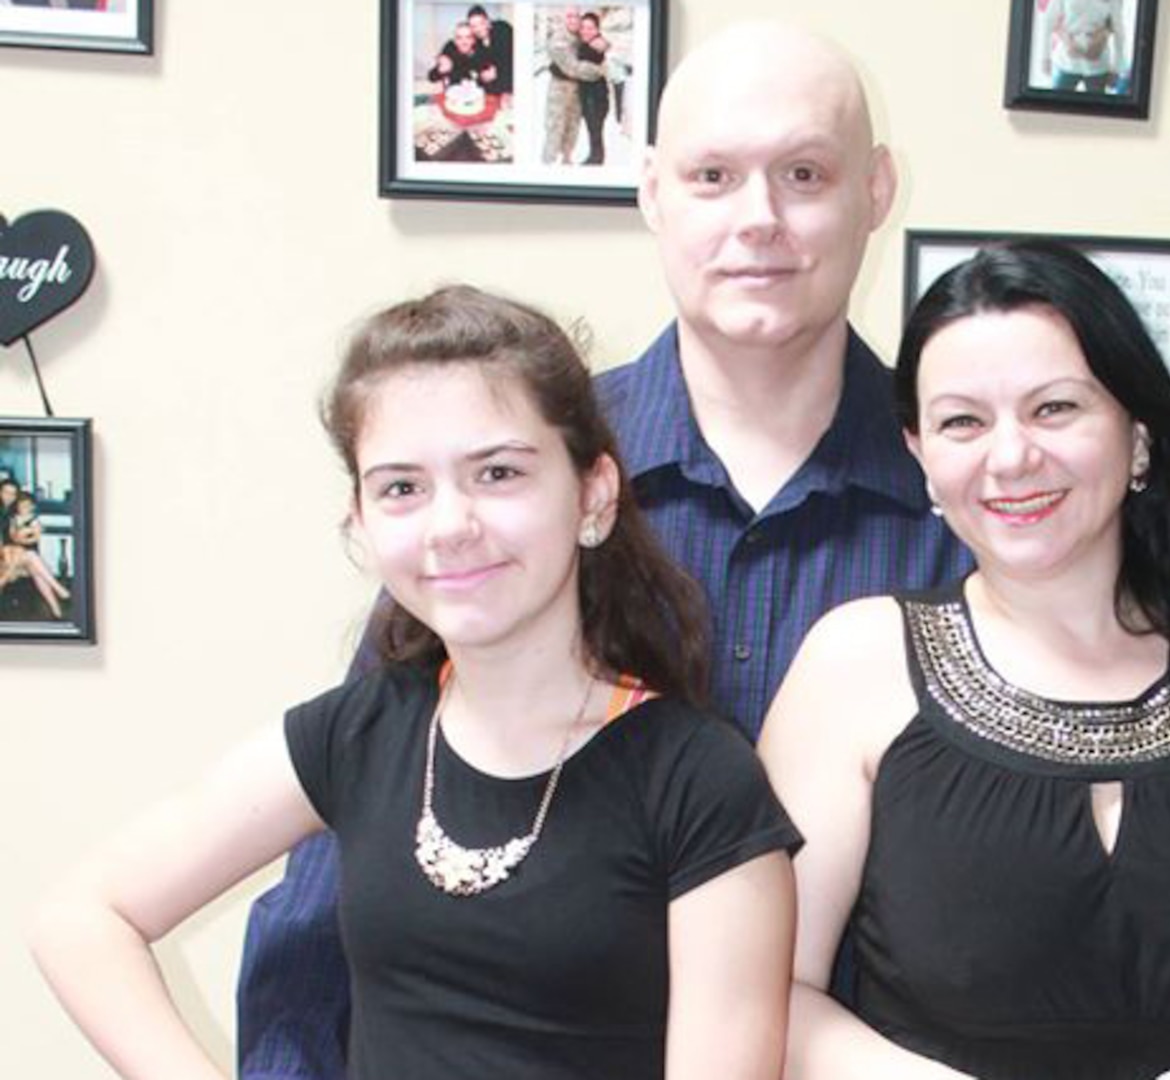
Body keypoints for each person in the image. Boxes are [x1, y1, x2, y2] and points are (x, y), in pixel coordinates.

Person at [236, 23, 972, 1080]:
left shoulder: (968, 505)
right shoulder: (516, 484)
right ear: (651, 194)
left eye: (802, 173)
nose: (757, 220)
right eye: (712, 176)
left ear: (875, 190)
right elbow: (350, 862)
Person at [30, 286, 801, 1080]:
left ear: (593, 496)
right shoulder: (359, 731)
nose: (449, 526)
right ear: (359, 522)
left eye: (497, 473)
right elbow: (83, 916)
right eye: (401, 487)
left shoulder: (700, 780)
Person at [760, 240, 1170, 1080]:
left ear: (1138, 437)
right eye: (962, 422)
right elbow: (768, 986)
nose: (1010, 456)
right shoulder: (855, 662)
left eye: (1054, 409)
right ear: (920, 457)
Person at [541, 6, 607, 166]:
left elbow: (596, 40)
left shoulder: (579, 35)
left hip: (577, 92)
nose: (573, 20)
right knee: (555, 131)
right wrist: (600, 69)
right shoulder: (558, 40)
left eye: (577, 17)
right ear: (564, 18)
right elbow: (573, 68)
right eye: (569, 16)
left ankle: (566, 163)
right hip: (560, 93)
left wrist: (604, 43)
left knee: (572, 131)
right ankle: (547, 168)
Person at [1, 488, 70, 619]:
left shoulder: (34, 520)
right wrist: (24, 535)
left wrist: (24, 536)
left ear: (32, 506)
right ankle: (58, 589)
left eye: (28, 505)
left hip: (24, 553)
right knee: (32, 557)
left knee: (36, 569)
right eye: (22, 505)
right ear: (18, 506)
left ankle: (56, 610)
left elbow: (36, 537)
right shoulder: (13, 519)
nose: (25, 508)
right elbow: (14, 537)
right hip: (15, 555)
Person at [1038, 0, 1124, 94]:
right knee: (1056, 105)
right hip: (1067, 62)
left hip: (1098, 65)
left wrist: (1116, 68)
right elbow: (1048, 21)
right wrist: (1045, 57)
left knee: (1096, 107)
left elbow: (1119, 30)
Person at [576, 12, 612, 165]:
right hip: (590, 95)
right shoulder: (587, 45)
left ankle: (596, 159)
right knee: (594, 130)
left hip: (595, 96)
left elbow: (577, 66)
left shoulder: (594, 47)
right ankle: (595, 156)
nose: (585, 31)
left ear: (597, 30)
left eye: (590, 28)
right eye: (583, 27)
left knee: (595, 129)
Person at [467, 4, 514, 98]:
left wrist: (497, 72)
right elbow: (477, 68)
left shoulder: (502, 29)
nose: (478, 29)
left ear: (488, 21)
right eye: (473, 26)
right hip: (494, 90)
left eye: (481, 23)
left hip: (514, 83)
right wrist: (482, 75)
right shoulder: (476, 44)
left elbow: (512, 59)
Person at [428, 21, 488, 89]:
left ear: (474, 40)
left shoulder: (481, 53)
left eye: (468, 37)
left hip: (477, 96)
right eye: (459, 38)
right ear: (455, 40)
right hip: (453, 96)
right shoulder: (449, 50)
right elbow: (431, 77)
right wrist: (440, 70)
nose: (464, 42)